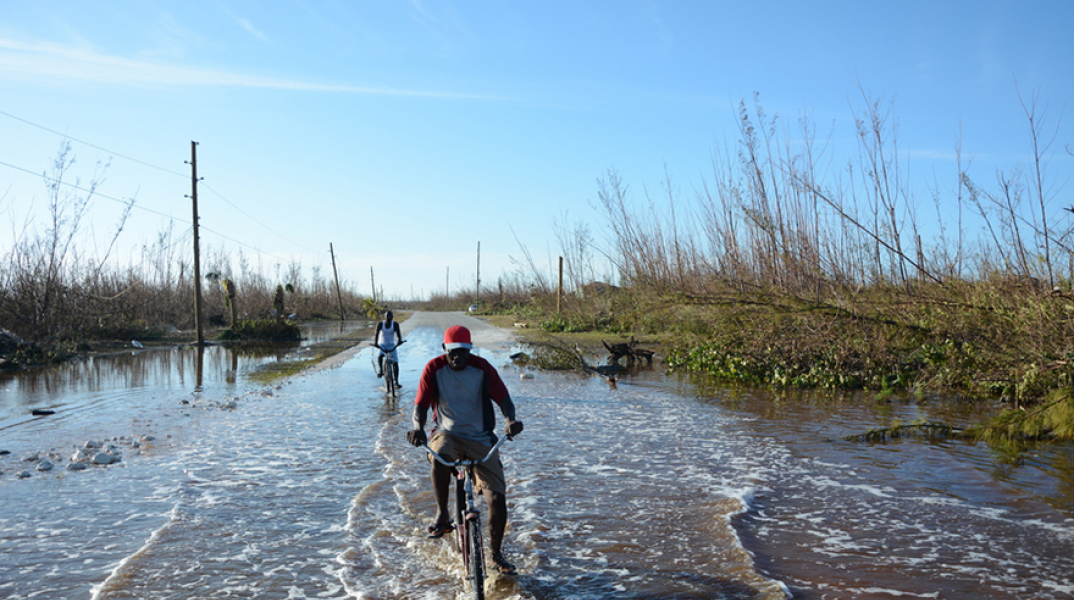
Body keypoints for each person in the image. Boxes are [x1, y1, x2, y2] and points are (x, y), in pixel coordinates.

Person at [406, 325, 524, 575]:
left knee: (497, 499)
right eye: (453, 352)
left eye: (463, 352)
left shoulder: (483, 369)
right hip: (447, 434)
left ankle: (495, 555)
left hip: (481, 438)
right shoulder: (433, 368)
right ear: (444, 350)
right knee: (440, 459)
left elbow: (505, 400)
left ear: (470, 350)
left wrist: (509, 420)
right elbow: (420, 406)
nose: (458, 357)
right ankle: (443, 516)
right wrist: (417, 427)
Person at [374, 310, 404, 380]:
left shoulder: (395, 324)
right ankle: (381, 370)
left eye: (390, 316)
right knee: (380, 355)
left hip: (391, 345)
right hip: (382, 344)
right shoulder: (381, 324)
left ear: (392, 317)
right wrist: (376, 343)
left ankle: (396, 381)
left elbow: (399, 334)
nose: (389, 318)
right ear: (385, 317)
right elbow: (377, 334)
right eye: (387, 316)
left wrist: (400, 341)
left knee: (396, 363)